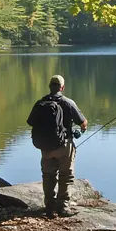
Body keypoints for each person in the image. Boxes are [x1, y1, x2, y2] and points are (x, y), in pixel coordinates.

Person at [27, 75, 88, 218]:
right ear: (62, 87)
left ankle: (49, 207)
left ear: (49, 87)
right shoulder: (68, 102)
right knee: (65, 176)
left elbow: (30, 121)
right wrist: (82, 129)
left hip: (45, 147)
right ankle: (63, 208)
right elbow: (83, 122)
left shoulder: (40, 103)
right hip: (64, 146)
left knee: (48, 176)